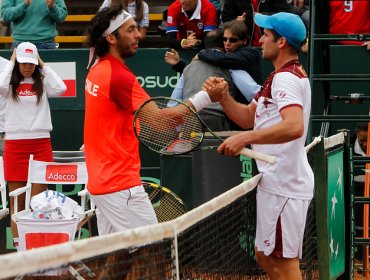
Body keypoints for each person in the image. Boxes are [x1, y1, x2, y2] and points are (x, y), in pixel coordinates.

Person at [84, 6, 227, 236]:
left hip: (102, 182)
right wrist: (206, 97)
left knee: (117, 259)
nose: (138, 35)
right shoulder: (119, 77)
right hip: (119, 184)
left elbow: (110, 119)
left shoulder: (97, 68)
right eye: (130, 30)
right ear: (111, 37)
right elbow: (161, 123)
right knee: (153, 253)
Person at [204, 12, 313, 279]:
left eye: (265, 35)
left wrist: (245, 138)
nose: (260, 40)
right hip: (274, 183)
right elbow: (248, 117)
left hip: (285, 186)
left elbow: (294, 126)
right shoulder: (275, 77)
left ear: (282, 42)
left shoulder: (285, 79)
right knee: (265, 256)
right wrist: (224, 97)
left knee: (284, 264)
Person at [0, 42, 67, 250]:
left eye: (31, 63)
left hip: (41, 144)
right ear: (17, 61)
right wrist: (11, 63)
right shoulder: (8, 84)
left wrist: (42, 64)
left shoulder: (42, 82)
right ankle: (22, 253)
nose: (27, 67)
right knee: (17, 205)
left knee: (38, 203)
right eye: (23, 63)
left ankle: (37, 251)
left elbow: (62, 88)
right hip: (14, 145)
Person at [197, 20, 263, 104]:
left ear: (244, 41)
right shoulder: (226, 54)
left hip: (255, 106)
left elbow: (223, 59)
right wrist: (179, 64)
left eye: (233, 40)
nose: (227, 43)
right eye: (224, 39)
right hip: (236, 107)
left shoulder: (251, 53)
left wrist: (201, 53)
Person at [221, 0, 294, 46]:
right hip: (244, 45)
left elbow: (285, 14)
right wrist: (236, 21)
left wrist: (263, 17)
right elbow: (226, 19)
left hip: (271, 44)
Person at [0, 0, 67, 49]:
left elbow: (62, 16)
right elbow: (5, 15)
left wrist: (52, 7)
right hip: (20, 45)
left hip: (46, 44)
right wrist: (24, 5)